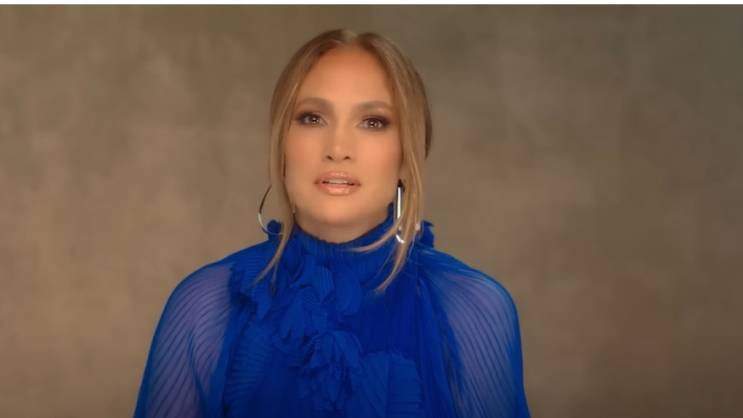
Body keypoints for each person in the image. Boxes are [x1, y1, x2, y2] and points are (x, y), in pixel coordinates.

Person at [133, 28, 530, 418]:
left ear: (407, 156)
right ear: (282, 144)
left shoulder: (472, 308)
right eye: (312, 118)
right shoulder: (207, 304)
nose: (338, 149)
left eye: (373, 122)